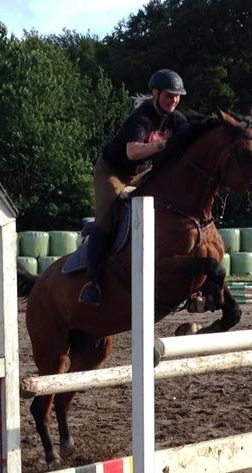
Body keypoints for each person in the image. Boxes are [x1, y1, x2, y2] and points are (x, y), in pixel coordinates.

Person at [78, 68, 190, 305]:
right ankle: (93, 281)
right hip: (113, 171)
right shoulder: (142, 116)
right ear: (155, 93)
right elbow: (132, 152)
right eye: (169, 95)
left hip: (143, 173)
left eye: (177, 96)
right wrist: (164, 146)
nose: (174, 100)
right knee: (107, 216)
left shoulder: (176, 119)